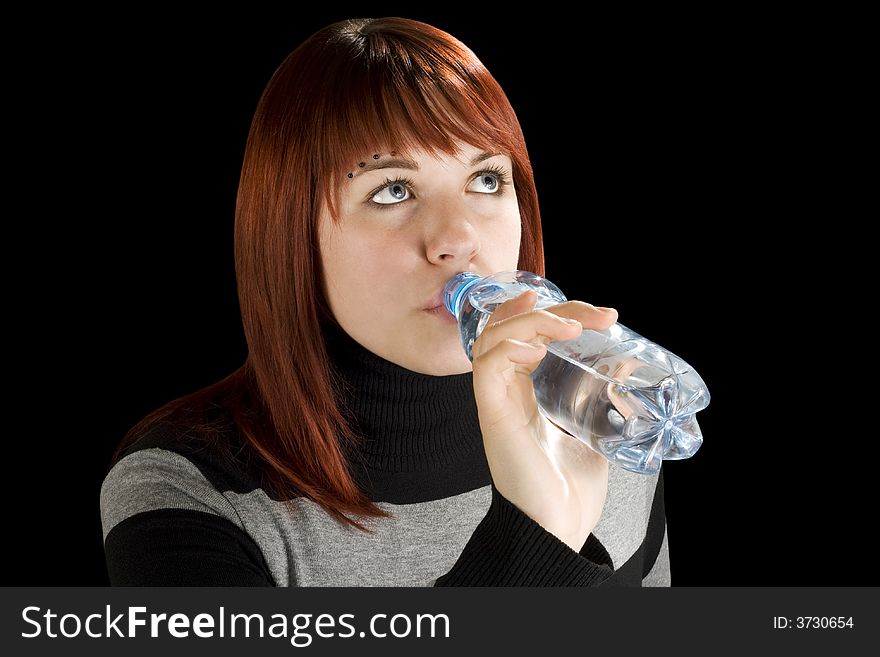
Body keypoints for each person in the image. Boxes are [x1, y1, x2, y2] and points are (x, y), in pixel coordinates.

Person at [100, 16, 670, 586]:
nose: (458, 239)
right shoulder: (188, 490)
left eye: (488, 181)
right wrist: (533, 536)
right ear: (290, 236)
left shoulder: (608, 425)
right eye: (393, 191)